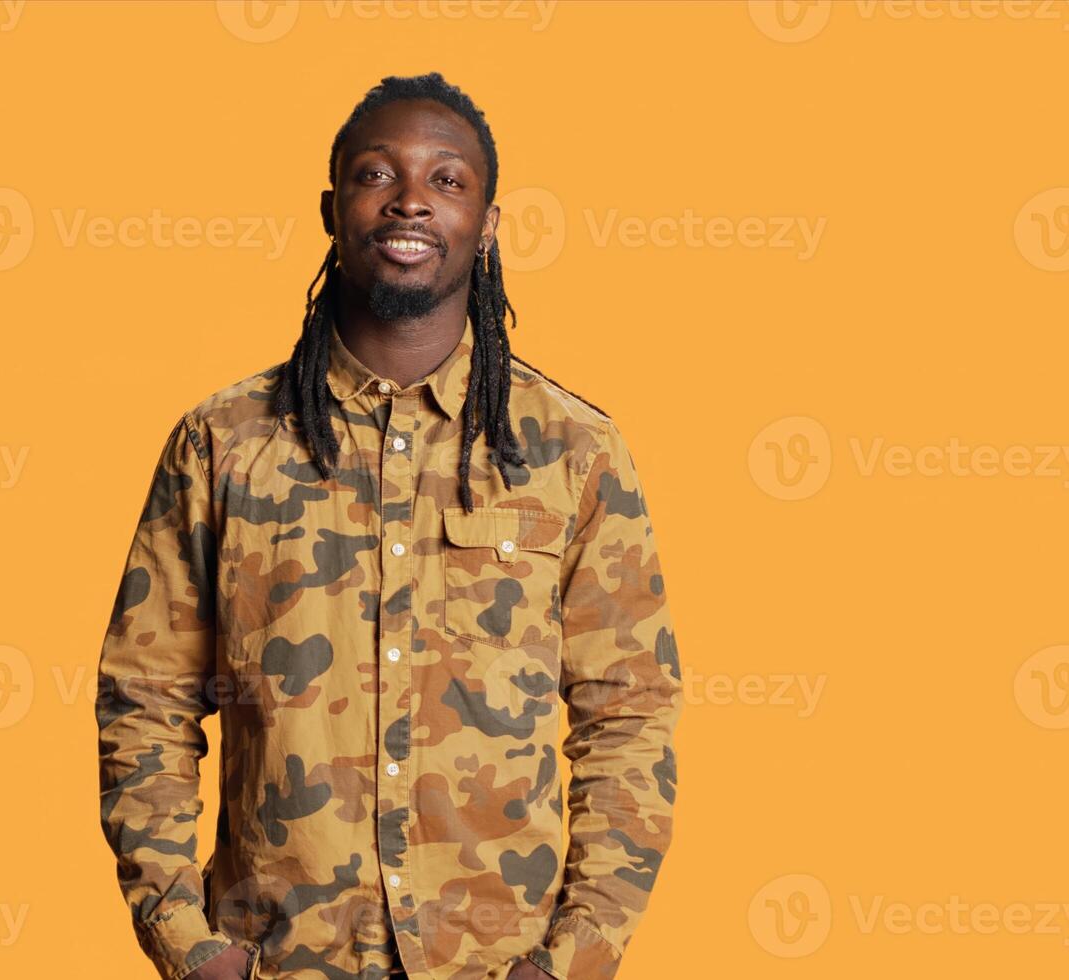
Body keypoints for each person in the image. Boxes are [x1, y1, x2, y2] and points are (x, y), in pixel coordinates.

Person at [94, 72, 681, 980]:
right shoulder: (222, 442)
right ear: (331, 209)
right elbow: (144, 698)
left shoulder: (574, 451)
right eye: (378, 174)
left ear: (486, 224)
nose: (411, 198)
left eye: (447, 180)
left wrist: (574, 958)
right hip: (275, 959)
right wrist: (187, 944)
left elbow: (629, 713)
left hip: (498, 963)